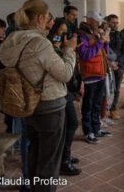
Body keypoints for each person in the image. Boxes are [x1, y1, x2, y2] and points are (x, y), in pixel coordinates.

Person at [0, 0, 77, 192]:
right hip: (49, 105)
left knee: (34, 155)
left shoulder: (11, 40)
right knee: (49, 163)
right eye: (48, 17)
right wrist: (70, 51)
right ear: (40, 18)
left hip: (27, 104)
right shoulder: (39, 43)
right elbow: (65, 74)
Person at [47, 18, 82, 176]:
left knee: (71, 124)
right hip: (59, 93)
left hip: (66, 92)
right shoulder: (50, 49)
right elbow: (64, 73)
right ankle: (63, 160)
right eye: (61, 32)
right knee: (69, 124)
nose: (63, 35)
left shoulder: (59, 48)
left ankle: (65, 156)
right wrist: (67, 51)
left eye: (64, 32)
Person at [77, 10, 112, 144]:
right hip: (90, 75)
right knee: (88, 105)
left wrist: (105, 42)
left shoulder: (95, 33)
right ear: (89, 20)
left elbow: (104, 53)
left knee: (97, 104)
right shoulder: (82, 35)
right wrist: (99, 43)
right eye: (96, 21)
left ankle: (96, 128)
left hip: (101, 74)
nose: (99, 24)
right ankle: (88, 132)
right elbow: (85, 55)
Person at [106, 14, 124, 119]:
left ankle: (113, 109)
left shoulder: (121, 35)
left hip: (119, 66)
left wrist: (117, 63)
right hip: (106, 66)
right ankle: (103, 111)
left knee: (117, 89)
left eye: (116, 22)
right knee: (105, 89)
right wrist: (110, 63)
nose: (115, 25)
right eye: (113, 22)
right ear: (108, 22)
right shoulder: (104, 34)